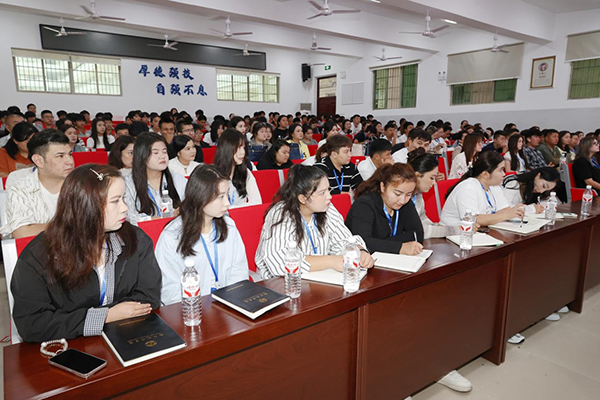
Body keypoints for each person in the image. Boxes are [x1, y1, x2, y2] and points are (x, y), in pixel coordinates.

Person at [11, 164, 161, 342]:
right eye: (115, 201)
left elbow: (148, 297)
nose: (125, 208)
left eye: (123, 199)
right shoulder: (39, 255)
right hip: (68, 345)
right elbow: (32, 323)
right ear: (87, 205)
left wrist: (79, 319)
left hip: (128, 333)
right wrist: (105, 316)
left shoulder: (135, 239)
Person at [255, 165, 374, 279]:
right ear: (303, 199)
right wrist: (331, 261)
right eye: (322, 193)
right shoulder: (280, 214)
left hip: (319, 278)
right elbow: (280, 262)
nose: (329, 196)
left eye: (328, 190)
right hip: (282, 283)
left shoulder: (327, 208)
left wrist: (360, 251)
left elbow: (344, 240)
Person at [156, 165, 248, 305]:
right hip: (189, 309)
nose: (227, 203)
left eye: (227, 195)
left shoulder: (229, 226)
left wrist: (229, 302)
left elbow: (239, 272)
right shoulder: (172, 235)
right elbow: (169, 291)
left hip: (227, 305)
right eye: (220, 197)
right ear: (201, 197)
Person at [0, 129, 74, 238]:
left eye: (70, 154)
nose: (70, 162)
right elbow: (21, 233)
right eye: (60, 156)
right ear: (39, 161)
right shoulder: (21, 189)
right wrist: (68, 226)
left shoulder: (81, 185)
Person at [346, 163, 424, 254]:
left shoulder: (406, 204)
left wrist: (381, 244)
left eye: (408, 194)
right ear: (383, 187)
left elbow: (417, 234)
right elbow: (362, 242)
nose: (402, 200)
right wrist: (399, 247)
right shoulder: (364, 205)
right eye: (397, 194)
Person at [441, 151, 525, 227]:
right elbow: (474, 219)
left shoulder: (494, 185)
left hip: (479, 231)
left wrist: (507, 214)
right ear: (485, 174)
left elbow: (505, 210)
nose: (504, 174)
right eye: (500, 170)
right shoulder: (468, 188)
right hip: (452, 234)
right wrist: (506, 215)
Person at [124, 133, 187, 223]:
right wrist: (154, 220)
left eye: (164, 152)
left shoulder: (177, 179)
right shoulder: (128, 184)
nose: (162, 156)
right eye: (156, 153)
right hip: (144, 231)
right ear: (142, 155)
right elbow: (128, 217)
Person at [408, 150, 455, 239]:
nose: (434, 183)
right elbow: (420, 231)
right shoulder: (403, 198)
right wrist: (454, 230)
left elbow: (422, 218)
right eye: (431, 178)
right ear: (417, 176)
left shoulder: (417, 194)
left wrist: (435, 226)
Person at [214, 129, 262, 208]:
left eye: (243, 147)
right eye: (239, 148)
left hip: (241, 214)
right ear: (227, 149)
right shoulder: (212, 175)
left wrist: (234, 209)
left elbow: (257, 202)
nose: (243, 152)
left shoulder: (245, 172)